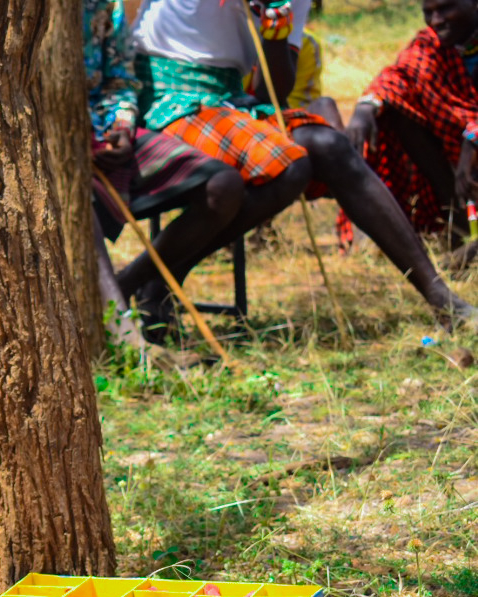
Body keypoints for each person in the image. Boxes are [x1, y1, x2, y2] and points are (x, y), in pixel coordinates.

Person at [133, 0, 476, 324]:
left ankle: (440, 298)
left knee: (327, 145)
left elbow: (273, 92)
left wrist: (275, 26)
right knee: (287, 165)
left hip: (230, 101)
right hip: (165, 96)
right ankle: (142, 280)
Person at [83, 0, 244, 341]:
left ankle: (137, 284)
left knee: (223, 185)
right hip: (45, 148)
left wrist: (122, 125)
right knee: (79, 210)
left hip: (106, 137)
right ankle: (123, 337)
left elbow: (120, 81)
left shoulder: (103, 5)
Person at [346, 0, 478, 260]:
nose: (436, 20)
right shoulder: (431, 44)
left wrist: (473, 137)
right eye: (428, 12)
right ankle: (455, 220)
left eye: (445, 8)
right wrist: (366, 108)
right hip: (455, 169)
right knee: (397, 110)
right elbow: (399, 77)